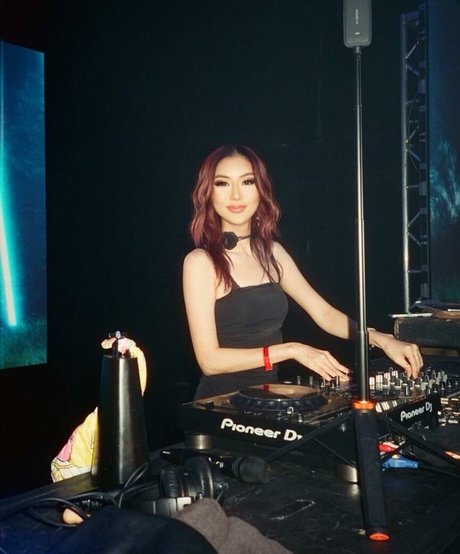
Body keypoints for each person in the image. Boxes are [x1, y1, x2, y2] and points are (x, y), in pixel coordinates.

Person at [182, 144, 423, 400]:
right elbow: (209, 362)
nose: (236, 195)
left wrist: (382, 339)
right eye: (222, 183)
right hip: (218, 405)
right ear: (208, 193)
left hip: (266, 400)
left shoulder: (273, 253)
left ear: (261, 189)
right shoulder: (200, 262)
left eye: (247, 182)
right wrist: (292, 350)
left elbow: (324, 314)